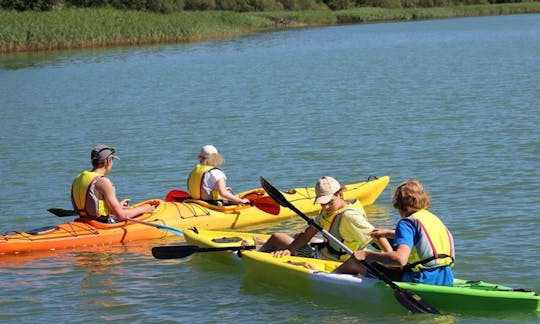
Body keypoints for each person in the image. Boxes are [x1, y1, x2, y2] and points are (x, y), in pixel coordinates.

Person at [334, 179, 455, 286]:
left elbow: (400, 259)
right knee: (387, 261)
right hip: (445, 278)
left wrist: (366, 255)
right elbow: (421, 237)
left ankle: (330, 277)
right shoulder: (432, 218)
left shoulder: (406, 223)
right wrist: (387, 233)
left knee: (356, 262)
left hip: (420, 280)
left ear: (399, 204)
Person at [258, 176, 392, 261]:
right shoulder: (327, 212)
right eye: (322, 203)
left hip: (329, 261)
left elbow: (377, 236)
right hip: (324, 252)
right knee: (298, 235)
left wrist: (392, 258)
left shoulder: (350, 217)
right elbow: (307, 235)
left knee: (277, 237)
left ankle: (257, 255)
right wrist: (289, 250)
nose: (326, 207)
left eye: (329, 202)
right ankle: (264, 249)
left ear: (340, 195)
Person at [71, 145, 155, 223]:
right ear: (108, 161)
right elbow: (121, 216)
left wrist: (117, 206)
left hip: (83, 220)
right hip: (101, 224)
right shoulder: (103, 182)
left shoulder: (78, 178)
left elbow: (91, 204)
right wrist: (144, 209)